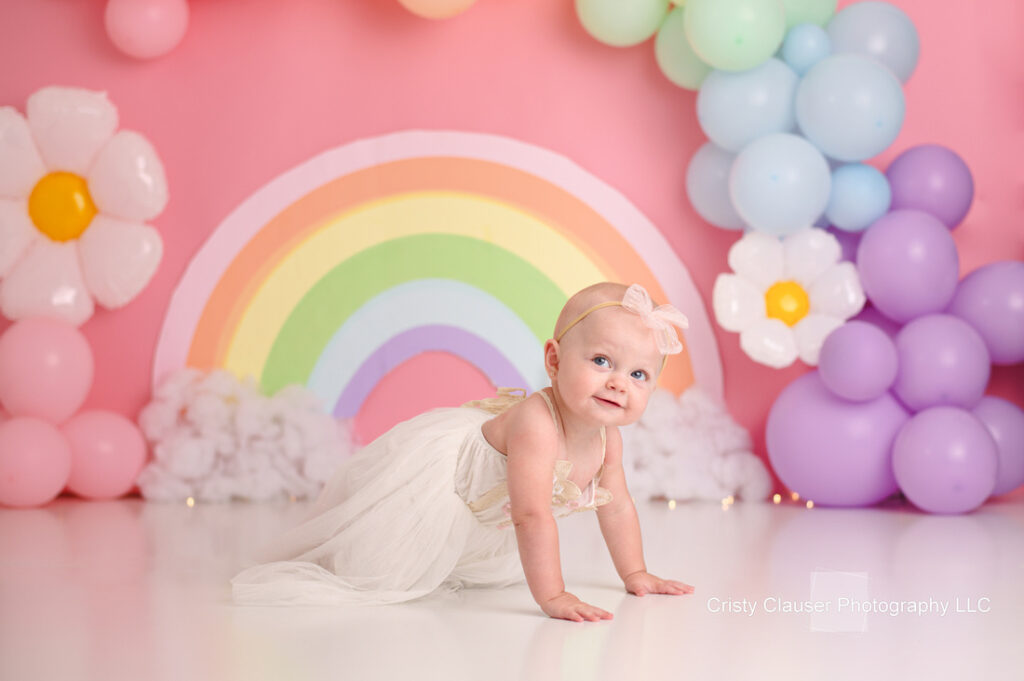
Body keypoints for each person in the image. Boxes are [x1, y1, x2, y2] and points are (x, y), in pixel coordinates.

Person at [232, 282, 696, 621]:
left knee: (460, 564)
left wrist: (635, 573)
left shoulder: (607, 438)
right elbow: (531, 515)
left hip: (485, 515)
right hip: (440, 490)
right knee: (372, 570)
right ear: (554, 360)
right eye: (601, 361)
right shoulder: (538, 424)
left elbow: (617, 507)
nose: (618, 383)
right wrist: (553, 595)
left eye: (639, 375)